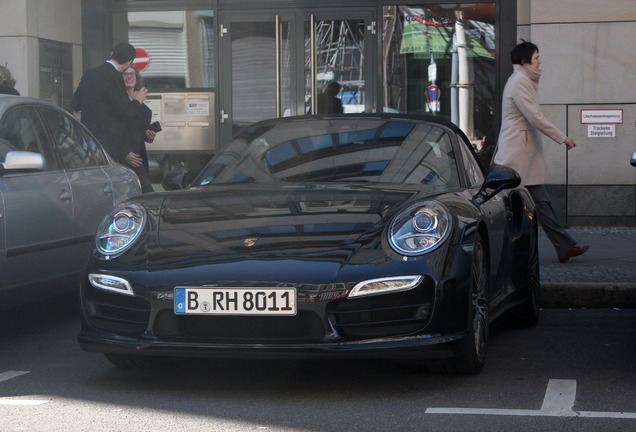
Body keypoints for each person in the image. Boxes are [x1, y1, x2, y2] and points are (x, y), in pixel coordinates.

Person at [493, 41, 589, 263]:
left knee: (536, 203)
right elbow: (534, 116)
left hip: (524, 152)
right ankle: (509, 250)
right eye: (536, 58)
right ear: (525, 61)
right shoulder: (519, 82)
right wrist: (562, 137)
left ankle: (563, 246)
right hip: (518, 154)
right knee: (510, 205)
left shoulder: (523, 81)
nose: (540, 61)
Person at [72, 42, 148, 166]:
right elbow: (125, 111)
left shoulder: (89, 74)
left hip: (87, 138)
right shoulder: (114, 77)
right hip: (107, 144)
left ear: (112, 54)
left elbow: (75, 104)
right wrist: (137, 100)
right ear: (129, 62)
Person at [123, 65, 155, 193]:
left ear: (137, 79)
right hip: (121, 156)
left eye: (132, 74)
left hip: (138, 156)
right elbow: (117, 129)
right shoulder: (118, 104)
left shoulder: (145, 110)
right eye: (125, 74)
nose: (129, 77)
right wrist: (124, 153)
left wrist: (148, 135)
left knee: (144, 191)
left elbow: (137, 132)